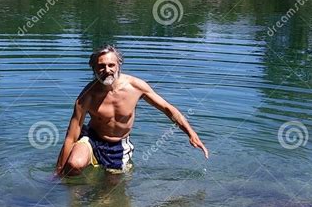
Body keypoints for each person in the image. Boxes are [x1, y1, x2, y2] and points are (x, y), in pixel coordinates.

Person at [55, 44, 209, 176]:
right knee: (74, 165)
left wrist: (191, 133)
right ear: (94, 68)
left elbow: (168, 109)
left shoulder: (136, 87)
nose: (106, 70)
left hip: (118, 145)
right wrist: (58, 172)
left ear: (119, 65)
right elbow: (71, 136)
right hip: (92, 139)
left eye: (111, 65)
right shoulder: (86, 97)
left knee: (110, 193)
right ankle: (77, 199)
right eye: (101, 66)